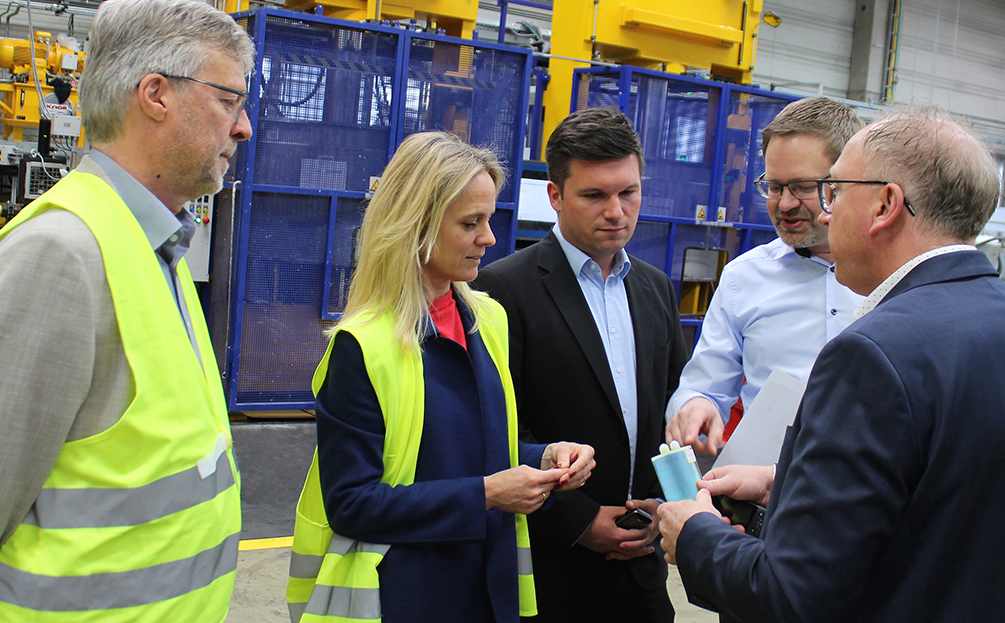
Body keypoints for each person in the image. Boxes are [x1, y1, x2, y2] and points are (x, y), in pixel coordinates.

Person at [658, 105, 1005, 623]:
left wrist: (696, 533)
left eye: (833, 191)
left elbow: (792, 595)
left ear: (885, 204)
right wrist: (786, 482)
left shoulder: (871, 352)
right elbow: (939, 504)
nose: (824, 212)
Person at [0, 0, 253, 622]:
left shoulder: (153, 244)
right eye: (229, 100)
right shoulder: (60, 256)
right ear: (156, 95)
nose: (243, 128)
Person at [286, 131, 596, 623]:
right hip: (408, 595)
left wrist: (546, 457)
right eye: (470, 223)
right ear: (416, 227)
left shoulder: (487, 319)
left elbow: (476, 448)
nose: (489, 238)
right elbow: (351, 503)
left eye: (489, 219)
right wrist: (489, 494)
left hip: (487, 589)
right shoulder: (363, 346)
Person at [474, 108, 688, 622]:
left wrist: (670, 505)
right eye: (594, 195)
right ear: (555, 196)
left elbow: (671, 409)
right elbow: (492, 430)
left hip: (642, 553)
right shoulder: (502, 290)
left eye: (628, 192)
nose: (616, 211)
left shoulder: (655, 288)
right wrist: (577, 519)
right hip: (549, 563)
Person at [666, 96, 864, 454]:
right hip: (761, 499)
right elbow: (705, 385)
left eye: (803, 187)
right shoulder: (744, 277)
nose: (785, 204)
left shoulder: (896, 280)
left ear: (847, 181)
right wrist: (697, 405)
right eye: (774, 186)